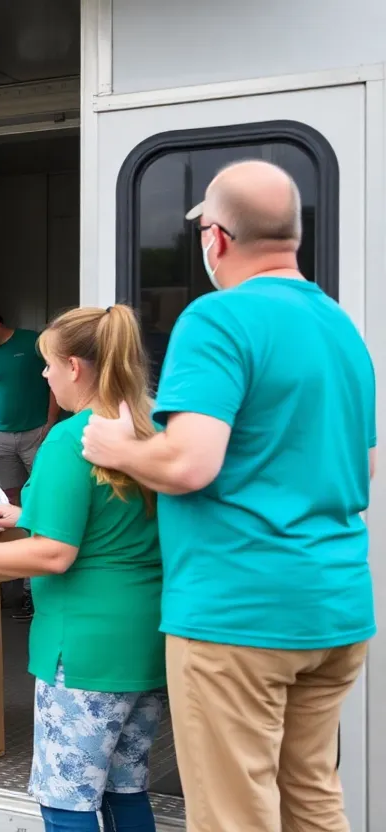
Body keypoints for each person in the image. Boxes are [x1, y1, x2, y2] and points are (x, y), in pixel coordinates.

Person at [82, 160, 376, 832]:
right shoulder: (341, 329)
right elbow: (363, 468)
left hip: (238, 614)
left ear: (215, 238)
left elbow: (190, 462)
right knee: (310, 793)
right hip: (333, 609)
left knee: (234, 814)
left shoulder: (217, 319)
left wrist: (117, 447)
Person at [0, 304, 165, 832]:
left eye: (49, 365)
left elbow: (55, 554)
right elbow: (113, 522)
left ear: (75, 367)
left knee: (67, 802)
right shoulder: (151, 427)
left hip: (85, 650)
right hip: (145, 640)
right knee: (125, 791)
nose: (44, 376)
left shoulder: (72, 440)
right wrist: (29, 515)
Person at [0, 306, 60, 620]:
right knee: (8, 505)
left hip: (37, 432)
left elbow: (53, 382)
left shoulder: (33, 343)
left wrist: (51, 423)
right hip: (2, 437)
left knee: (40, 502)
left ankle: (35, 591)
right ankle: (13, 587)